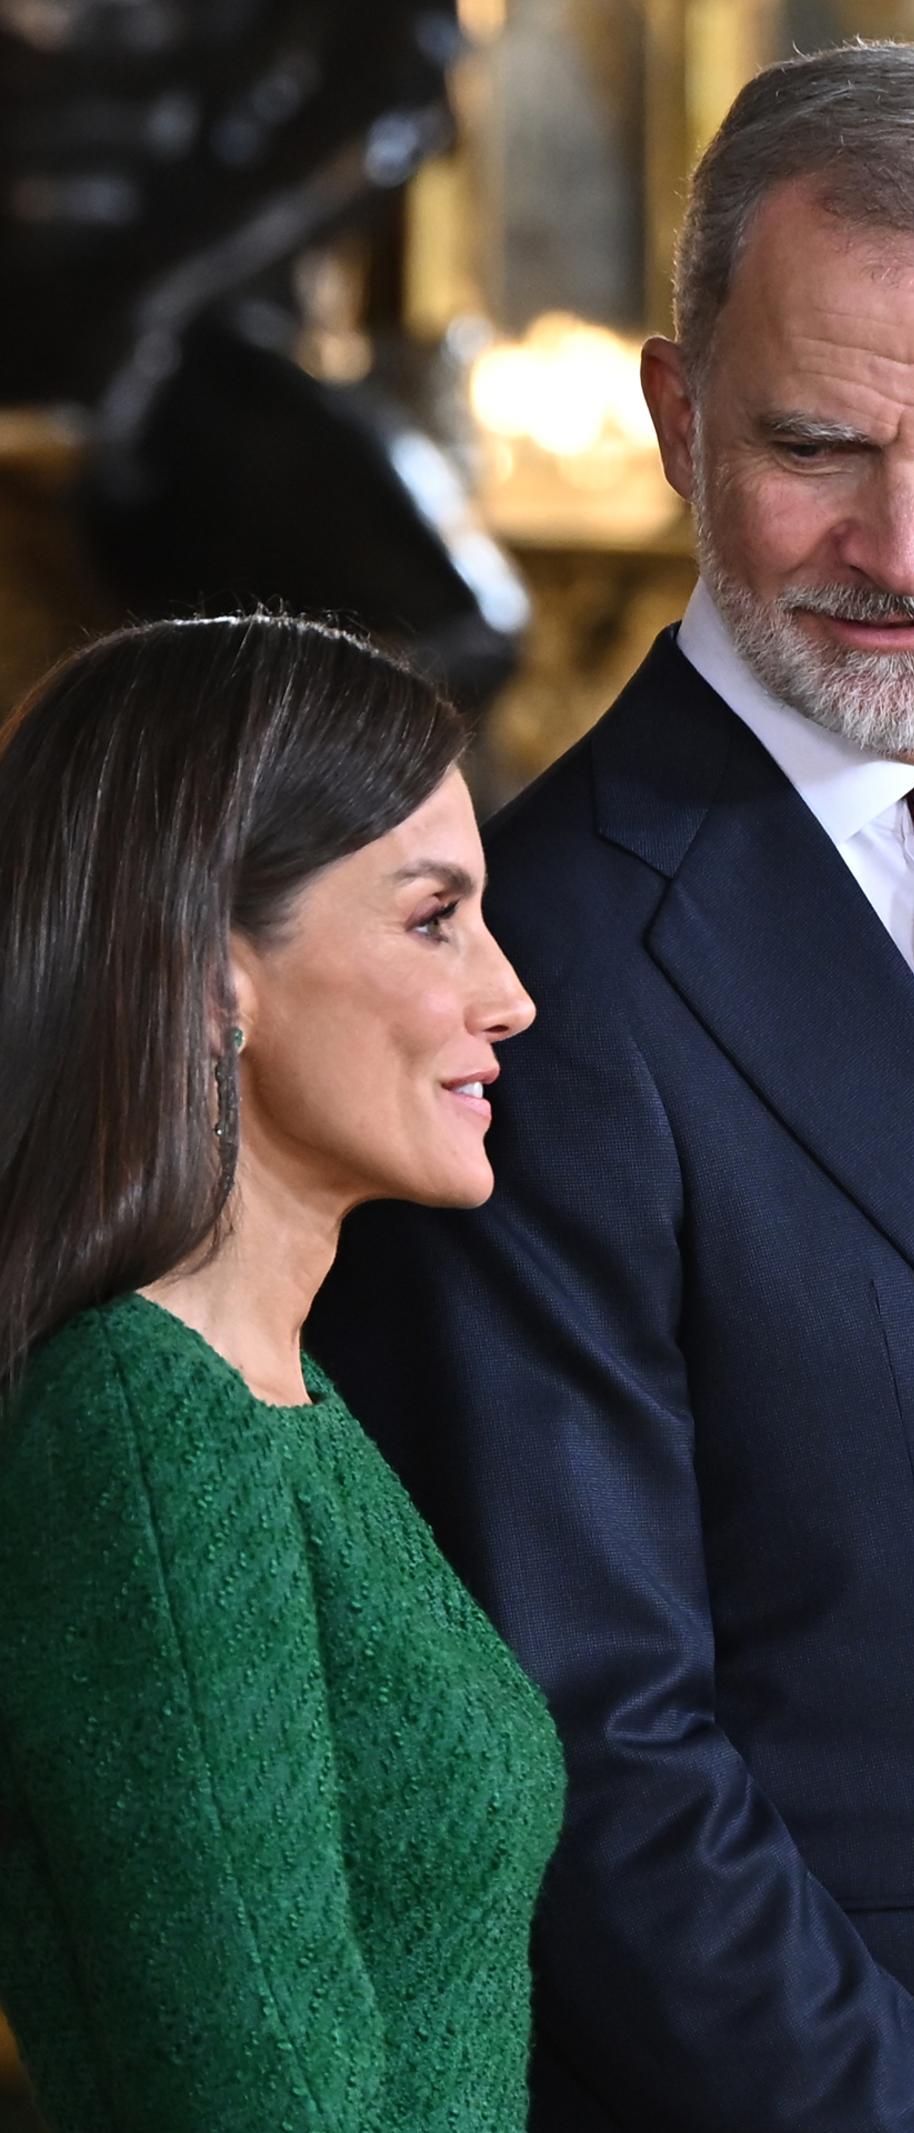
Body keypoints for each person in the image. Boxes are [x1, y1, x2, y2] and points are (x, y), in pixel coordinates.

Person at [309, 40, 914, 2133]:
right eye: (819, 446)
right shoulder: (527, 982)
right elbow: (601, 1769)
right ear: (677, 417)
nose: (907, 545)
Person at [0, 612, 563, 2133]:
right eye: (433, 915)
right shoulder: (145, 1419)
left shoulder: (281, 1396)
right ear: (208, 972)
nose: (507, 992)